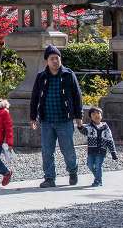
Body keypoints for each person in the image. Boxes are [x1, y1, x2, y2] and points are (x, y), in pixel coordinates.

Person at [29, 44, 83, 187]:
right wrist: (33, 117)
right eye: (52, 58)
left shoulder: (68, 74)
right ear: (46, 61)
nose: (55, 61)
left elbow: (77, 96)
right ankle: (49, 178)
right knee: (47, 151)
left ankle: (72, 171)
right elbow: (35, 97)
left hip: (64, 119)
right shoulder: (41, 77)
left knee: (68, 150)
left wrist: (79, 116)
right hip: (46, 120)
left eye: (57, 58)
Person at [78, 106, 118, 187]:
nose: (96, 115)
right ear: (90, 117)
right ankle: (98, 178)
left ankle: (98, 181)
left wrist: (113, 153)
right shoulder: (89, 127)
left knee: (98, 165)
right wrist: (80, 126)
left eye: (98, 113)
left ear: (101, 116)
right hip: (91, 151)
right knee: (89, 164)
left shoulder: (106, 128)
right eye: (93, 114)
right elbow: (84, 131)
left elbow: (110, 140)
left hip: (101, 151)